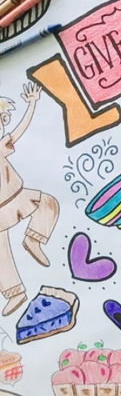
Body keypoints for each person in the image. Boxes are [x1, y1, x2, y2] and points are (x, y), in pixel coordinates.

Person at [0, 83, 59, 317]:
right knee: (0, 254)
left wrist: (32, 104)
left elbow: (20, 130)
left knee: (48, 203)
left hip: (17, 197)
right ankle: (14, 292)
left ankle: (34, 240)